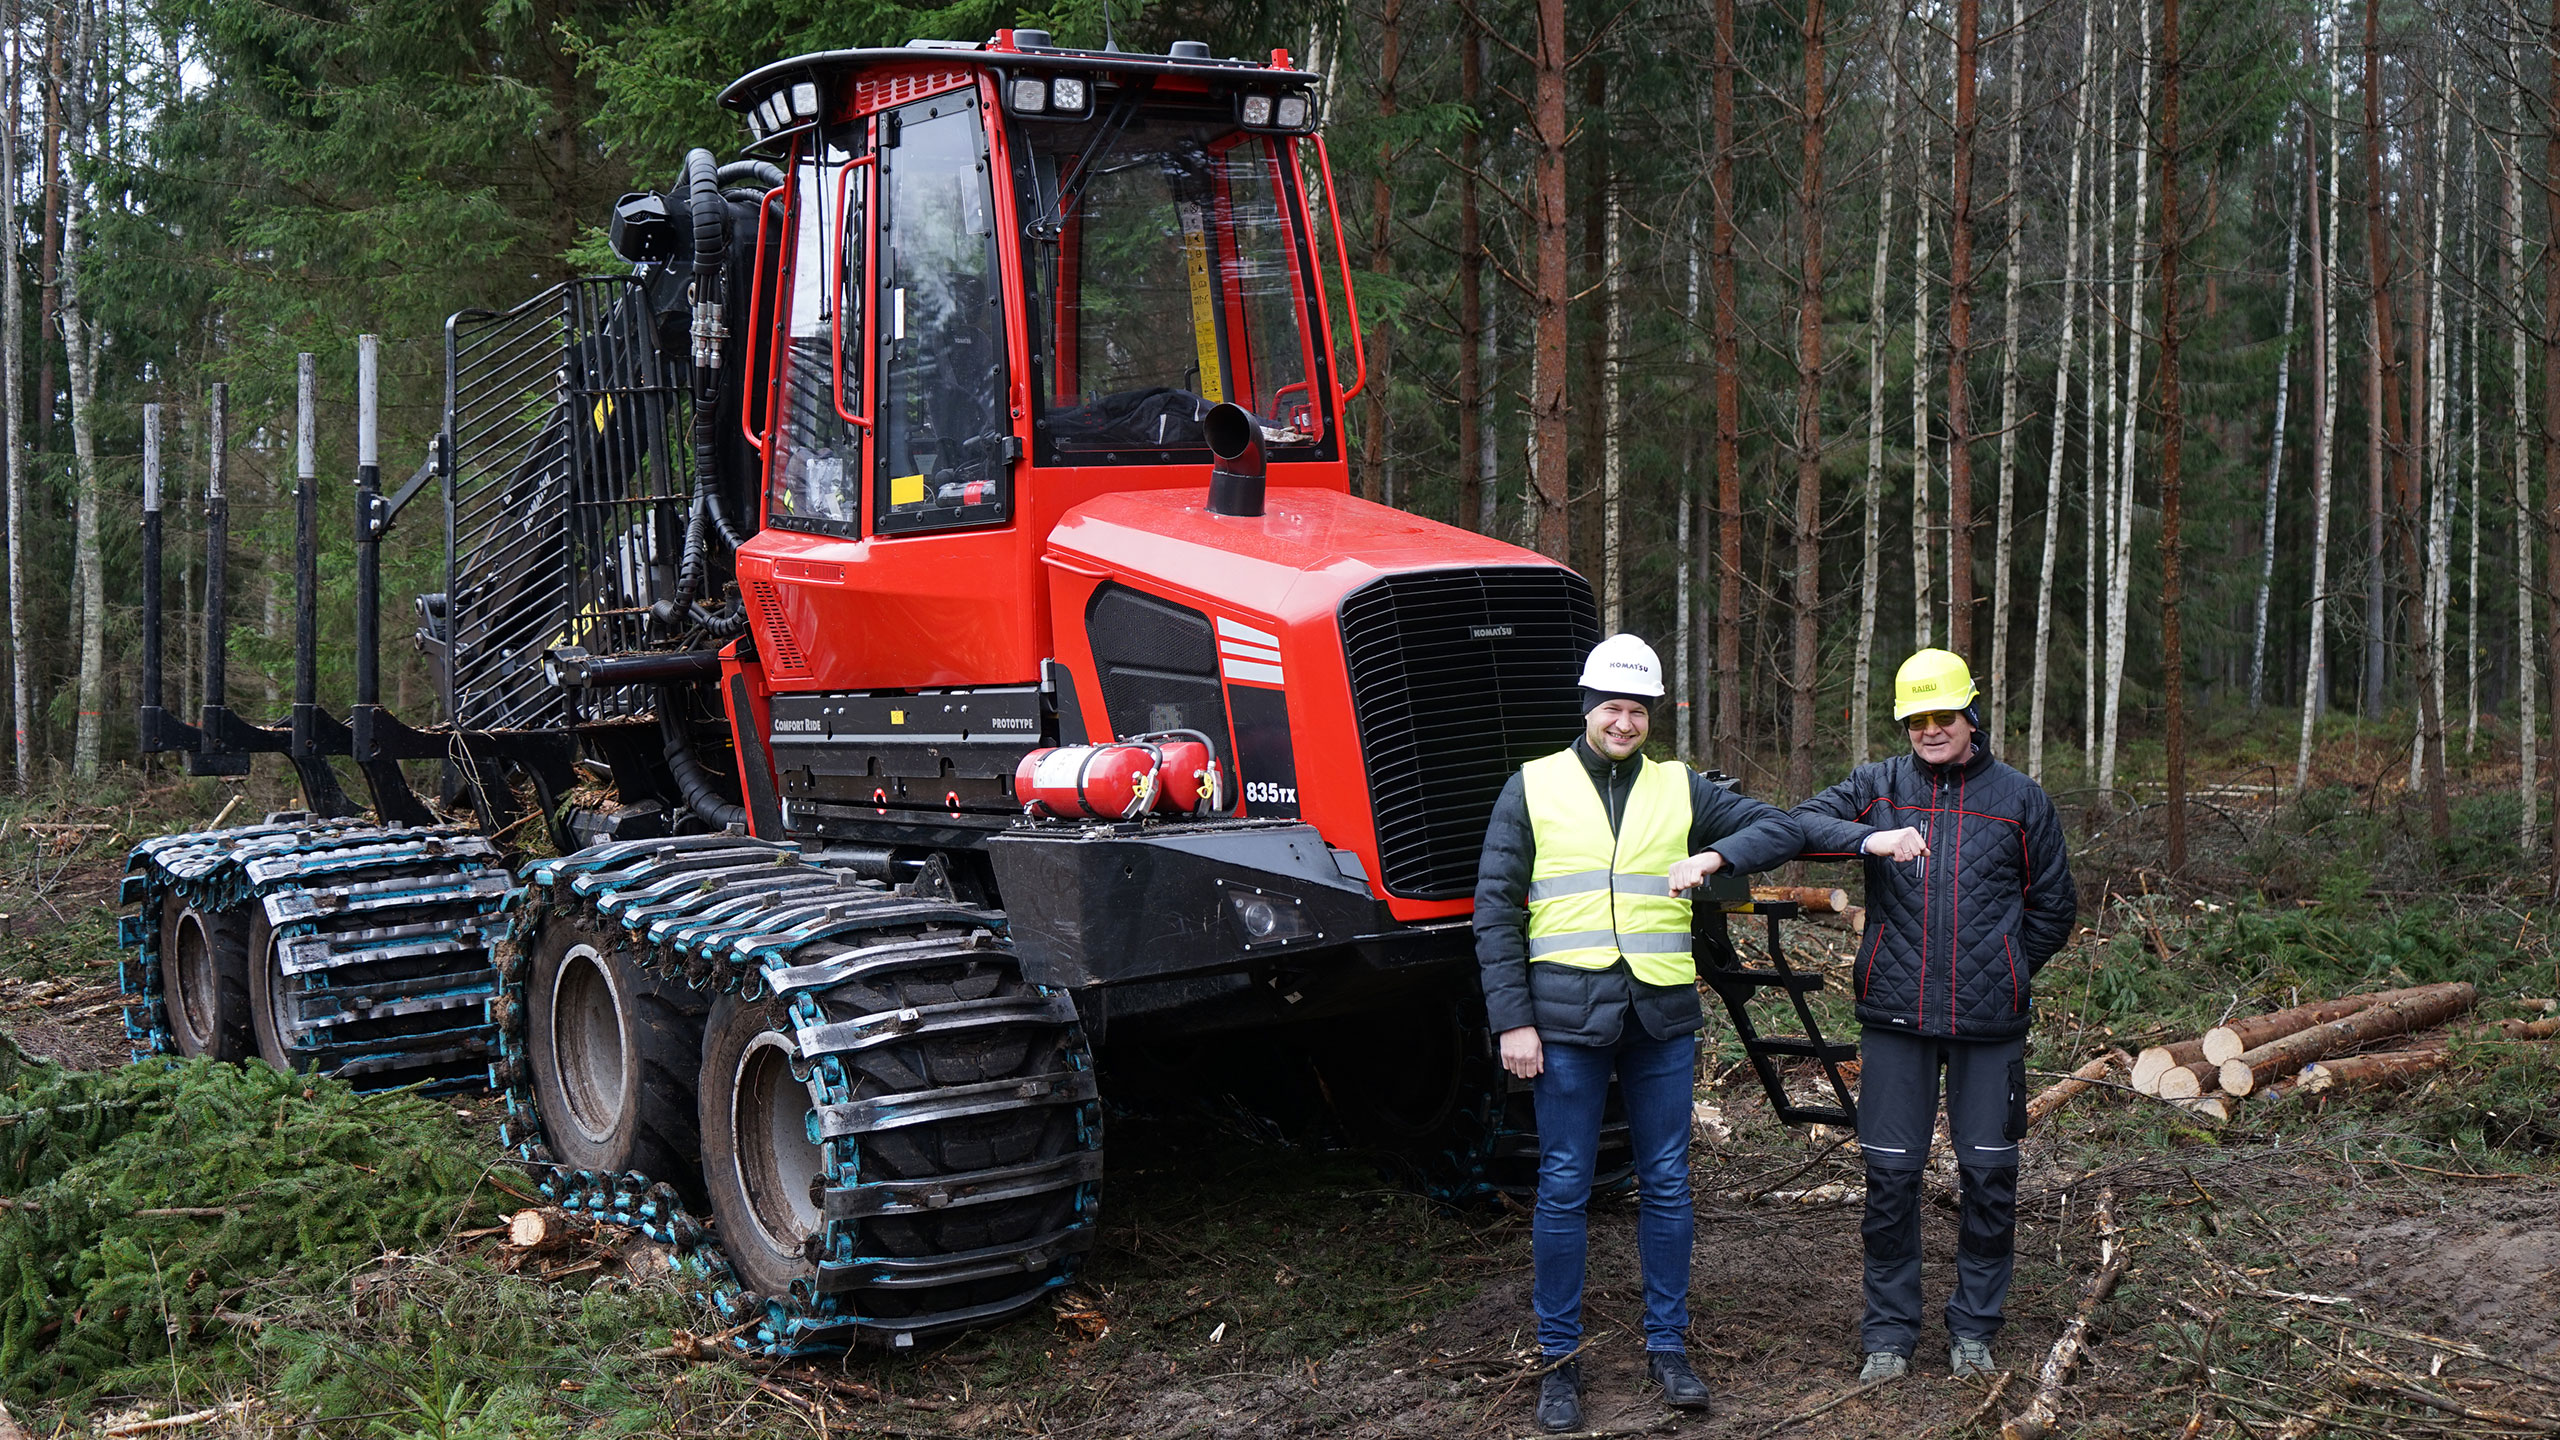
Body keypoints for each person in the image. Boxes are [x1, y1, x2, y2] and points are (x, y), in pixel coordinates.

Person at [1474, 633, 1803, 1431]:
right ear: (1588, 707)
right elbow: (1493, 911)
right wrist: (1512, 1019)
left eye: (1638, 710)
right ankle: (1559, 1360)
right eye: (1612, 708)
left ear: (1652, 715)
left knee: (1666, 1182)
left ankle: (1669, 1349)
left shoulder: (1679, 788)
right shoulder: (1533, 786)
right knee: (1561, 1184)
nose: (1624, 722)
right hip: (1564, 1020)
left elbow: (1780, 827)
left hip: (1659, 1017)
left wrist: (1718, 855)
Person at [1789, 649, 2077, 1383]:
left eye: (1942, 716)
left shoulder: (2019, 799)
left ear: (1971, 716)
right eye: (1916, 719)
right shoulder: (1879, 788)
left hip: (1990, 1030)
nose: (1929, 730)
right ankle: (1888, 1334)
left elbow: (2054, 906)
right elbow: (1804, 824)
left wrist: (2006, 967)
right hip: (1894, 1021)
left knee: (1989, 1179)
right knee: (1889, 1181)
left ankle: (1975, 1330)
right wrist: (1868, 838)